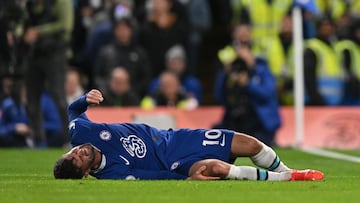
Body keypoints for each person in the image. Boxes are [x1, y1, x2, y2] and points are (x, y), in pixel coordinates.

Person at [53, 89, 324, 181]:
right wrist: (186, 178)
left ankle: (286, 169)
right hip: (173, 163)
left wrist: (85, 98)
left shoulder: (82, 132)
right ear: (85, 173)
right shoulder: (113, 172)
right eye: (77, 160)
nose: (79, 152)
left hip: (177, 139)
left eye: (72, 152)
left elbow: (73, 110)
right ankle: (287, 179)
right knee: (217, 168)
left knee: (250, 144)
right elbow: (154, 176)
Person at [23, 0, 74, 147]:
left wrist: (38, 31)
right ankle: (38, 140)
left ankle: (69, 139)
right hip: (35, 54)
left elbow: (66, 25)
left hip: (55, 54)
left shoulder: (61, 2)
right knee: (32, 99)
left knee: (59, 97)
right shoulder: (31, 4)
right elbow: (25, 24)